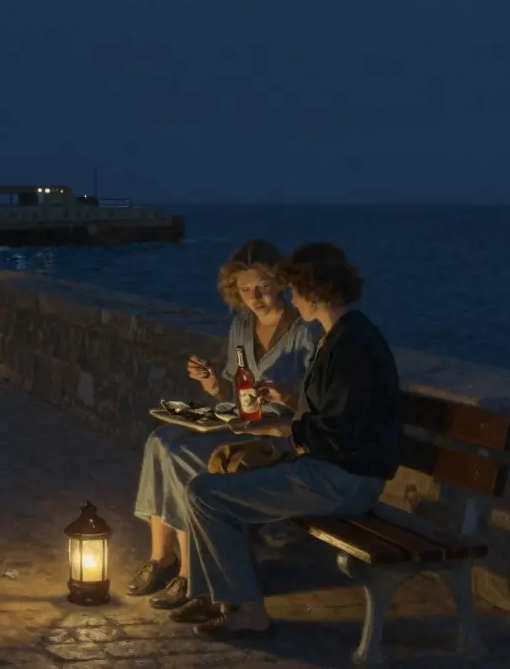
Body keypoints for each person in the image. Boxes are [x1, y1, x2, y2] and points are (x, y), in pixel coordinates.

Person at [182, 242, 404, 640]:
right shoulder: (341, 336)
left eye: (296, 291)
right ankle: (215, 597)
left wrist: (278, 430)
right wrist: (286, 399)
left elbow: (336, 433)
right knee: (212, 481)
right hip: (329, 470)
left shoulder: (350, 345)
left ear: (316, 292)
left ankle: (246, 611)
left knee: (205, 494)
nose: (293, 299)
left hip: (341, 481)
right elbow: (334, 411)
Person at [127, 239, 322, 620]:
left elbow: (315, 401)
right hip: (240, 422)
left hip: (276, 436)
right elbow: (235, 390)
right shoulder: (241, 326)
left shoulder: (304, 332)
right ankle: (161, 556)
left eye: (262, 286)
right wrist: (212, 384)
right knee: (159, 441)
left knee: (183, 453)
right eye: (246, 289)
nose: (255, 296)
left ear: (280, 282)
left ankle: (189, 572)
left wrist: (286, 395)